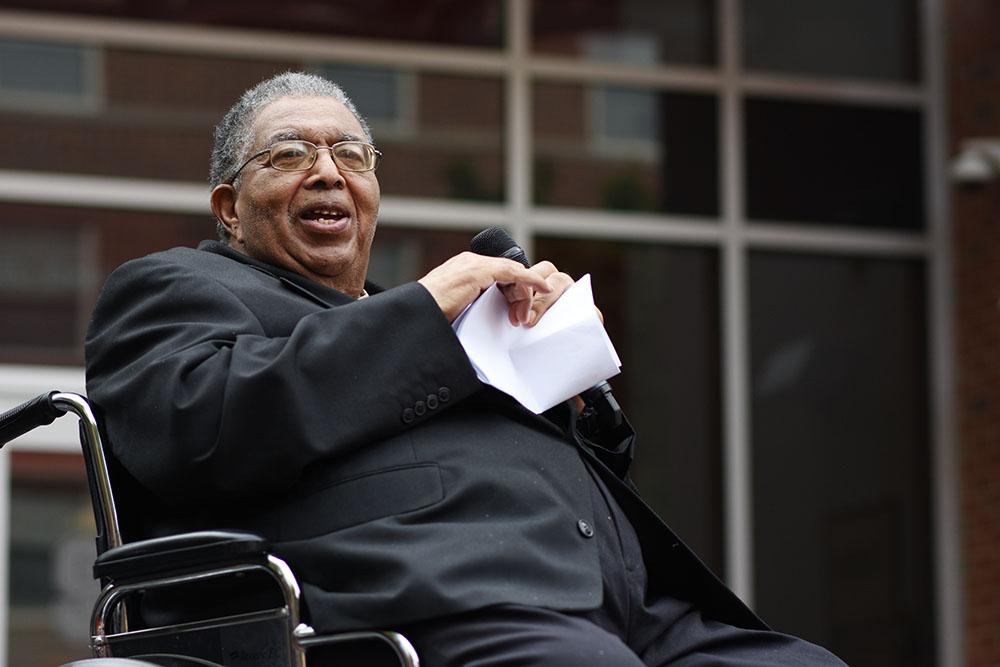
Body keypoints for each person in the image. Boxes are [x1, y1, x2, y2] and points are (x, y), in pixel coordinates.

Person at [85, 72, 845, 666]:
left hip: (629, 604)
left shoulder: (438, 325)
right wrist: (427, 306)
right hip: (433, 601)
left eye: (351, 154)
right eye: (289, 154)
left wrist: (574, 391)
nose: (327, 172)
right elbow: (203, 427)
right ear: (228, 207)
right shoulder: (176, 286)